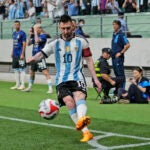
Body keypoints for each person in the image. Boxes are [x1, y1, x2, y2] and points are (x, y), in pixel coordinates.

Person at [26, 14, 101, 142]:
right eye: (63, 28)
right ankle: (86, 131)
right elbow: (42, 54)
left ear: (73, 26)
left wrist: (96, 79)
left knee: (79, 97)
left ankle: (81, 121)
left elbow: (88, 60)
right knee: (69, 102)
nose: (66, 31)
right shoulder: (54, 43)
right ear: (59, 27)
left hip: (77, 77)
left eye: (68, 28)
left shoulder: (82, 41)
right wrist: (32, 59)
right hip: (61, 80)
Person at [23, 24, 53, 94]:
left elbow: (37, 41)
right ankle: (30, 87)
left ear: (40, 29)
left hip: (40, 57)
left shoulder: (43, 36)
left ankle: (50, 88)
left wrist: (35, 32)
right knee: (31, 72)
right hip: (34, 57)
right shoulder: (35, 35)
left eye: (36, 29)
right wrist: (30, 35)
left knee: (45, 72)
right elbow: (28, 44)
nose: (34, 30)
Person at [111, 20, 130, 89]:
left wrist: (121, 53)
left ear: (119, 26)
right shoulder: (114, 34)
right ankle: (118, 89)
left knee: (120, 74)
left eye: (115, 24)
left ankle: (122, 90)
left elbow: (127, 45)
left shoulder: (121, 34)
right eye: (113, 24)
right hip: (113, 58)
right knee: (116, 74)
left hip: (118, 59)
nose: (114, 26)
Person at [10, 20, 26, 90]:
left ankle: (22, 85)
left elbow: (24, 44)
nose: (16, 26)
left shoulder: (22, 33)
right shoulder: (14, 33)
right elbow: (14, 44)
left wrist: (22, 53)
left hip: (20, 54)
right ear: (14, 26)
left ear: (19, 25)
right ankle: (17, 84)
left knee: (22, 69)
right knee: (15, 69)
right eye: (15, 25)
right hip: (15, 54)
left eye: (17, 24)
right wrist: (12, 52)